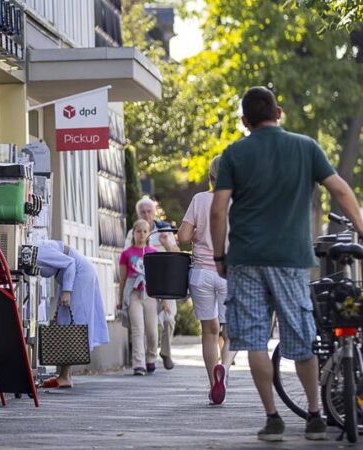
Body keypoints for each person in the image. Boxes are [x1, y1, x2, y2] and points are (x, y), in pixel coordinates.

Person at [210, 86, 363, 442]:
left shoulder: (234, 154)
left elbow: (218, 210)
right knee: (302, 337)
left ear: (245, 121)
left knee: (254, 341)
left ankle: (273, 418)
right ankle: (313, 414)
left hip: (246, 259)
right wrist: (360, 228)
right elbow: (340, 189)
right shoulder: (306, 147)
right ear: (278, 112)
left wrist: (220, 257)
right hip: (291, 259)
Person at [178, 155, 237, 405]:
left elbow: (183, 236)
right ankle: (224, 367)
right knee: (230, 330)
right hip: (228, 273)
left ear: (210, 178)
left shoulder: (199, 199)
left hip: (201, 274)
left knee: (209, 331)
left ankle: (214, 384)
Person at [36, 239, 110, 388]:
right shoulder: (38, 250)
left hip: (78, 274)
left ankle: (65, 375)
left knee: (69, 321)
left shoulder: (39, 253)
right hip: (71, 274)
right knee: (65, 321)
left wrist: (67, 291)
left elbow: (69, 262)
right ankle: (65, 375)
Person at [124, 197, 179, 370]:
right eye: (143, 212)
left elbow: (177, 253)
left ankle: (166, 352)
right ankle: (148, 358)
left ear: (154, 212)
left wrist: (165, 243)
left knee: (169, 318)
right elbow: (128, 255)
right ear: (138, 213)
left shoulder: (164, 230)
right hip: (143, 284)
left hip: (165, 280)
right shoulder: (134, 232)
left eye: (149, 211)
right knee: (147, 324)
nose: (146, 214)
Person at [118, 220, 159, 375]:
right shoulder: (126, 254)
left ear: (149, 234)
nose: (141, 234)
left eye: (144, 231)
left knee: (152, 331)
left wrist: (164, 300)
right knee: (137, 329)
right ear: (133, 233)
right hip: (134, 294)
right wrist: (120, 299)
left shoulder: (153, 253)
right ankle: (138, 363)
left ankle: (151, 358)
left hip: (150, 294)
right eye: (138, 231)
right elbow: (122, 279)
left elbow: (158, 278)